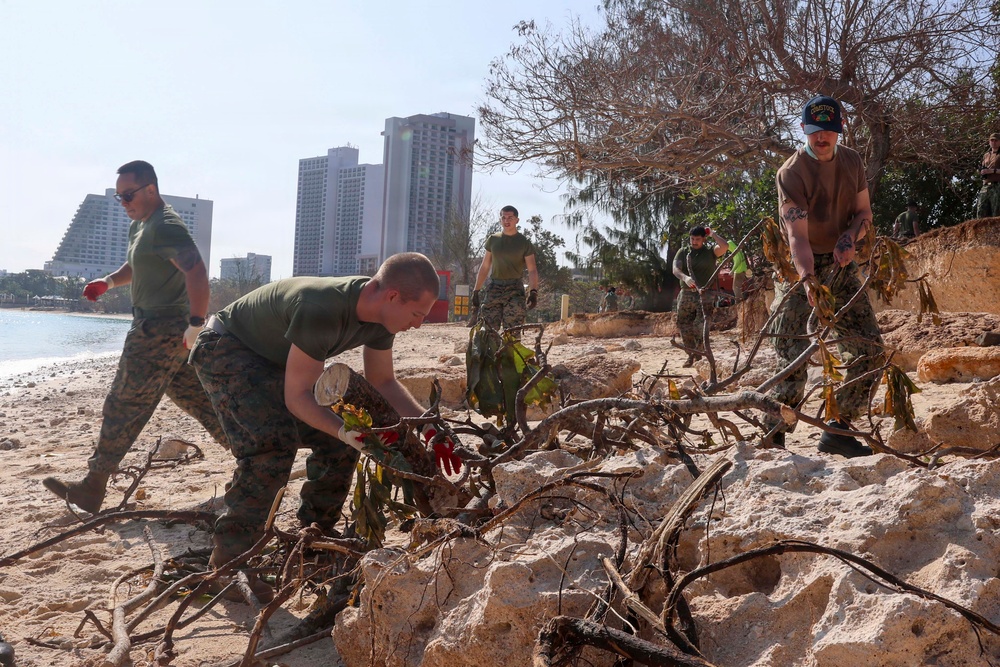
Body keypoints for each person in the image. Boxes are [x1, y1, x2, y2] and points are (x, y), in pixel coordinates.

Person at [190, 253, 461, 596]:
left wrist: (431, 427)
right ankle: (228, 564)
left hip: (272, 360)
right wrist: (346, 430)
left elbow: (384, 382)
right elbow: (298, 397)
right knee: (271, 446)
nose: (419, 324)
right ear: (392, 296)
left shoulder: (382, 319)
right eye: (417, 314)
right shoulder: (322, 308)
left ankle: (312, 539)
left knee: (336, 442)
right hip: (225, 349)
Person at [44, 161, 226, 513]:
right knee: (202, 401)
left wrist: (196, 322)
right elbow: (137, 265)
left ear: (150, 191)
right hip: (162, 330)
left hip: (159, 330)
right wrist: (108, 281)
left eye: (128, 195)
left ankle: (92, 487)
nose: (124, 203)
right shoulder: (142, 227)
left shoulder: (166, 226)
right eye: (119, 197)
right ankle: (257, 457)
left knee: (124, 403)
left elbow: (196, 271)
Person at [768, 95, 885, 457]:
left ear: (839, 131)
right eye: (816, 131)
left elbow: (863, 212)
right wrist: (807, 281)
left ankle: (840, 429)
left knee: (870, 349)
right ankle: (774, 435)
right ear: (804, 130)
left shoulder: (852, 160)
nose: (823, 138)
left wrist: (850, 237)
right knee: (791, 354)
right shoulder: (791, 173)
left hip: (842, 262)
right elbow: (796, 237)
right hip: (799, 267)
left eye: (829, 131)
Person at [472, 206, 539, 331]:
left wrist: (533, 291)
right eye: (503, 217)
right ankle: (490, 351)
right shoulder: (493, 240)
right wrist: (476, 290)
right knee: (488, 330)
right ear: (500, 220)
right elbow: (485, 266)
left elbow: (532, 269)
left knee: (512, 331)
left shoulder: (524, 242)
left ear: (517, 220)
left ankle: (509, 350)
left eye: (510, 218)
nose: (506, 220)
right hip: (495, 288)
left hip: (515, 290)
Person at [672, 225, 728, 367]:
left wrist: (713, 234)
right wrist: (685, 278)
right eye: (692, 239)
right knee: (684, 325)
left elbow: (725, 246)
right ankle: (691, 354)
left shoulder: (710, 252)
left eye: (698, 239)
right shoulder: (683, 252)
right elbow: (675, 269)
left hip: (705, 294)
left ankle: (700, 354)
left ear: (704, 239)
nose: (694, 242)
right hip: (686, 293)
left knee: (700, 326)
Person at [976, 133, 1000, 218]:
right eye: (992, 140)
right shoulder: (986, 155)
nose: (994, 142)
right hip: (986, 186)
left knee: (996, 213)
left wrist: (992, 171)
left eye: (996, 140)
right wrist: (982, 171)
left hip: (997, 185)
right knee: (980, 212)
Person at [725, 236, 753, 301]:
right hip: (743, 269)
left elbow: (738, 261)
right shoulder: (738, 250)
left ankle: (739, 301)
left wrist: (732, 271)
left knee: (735, 287)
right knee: (742, 286)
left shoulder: (735, 252)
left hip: (738, 271)